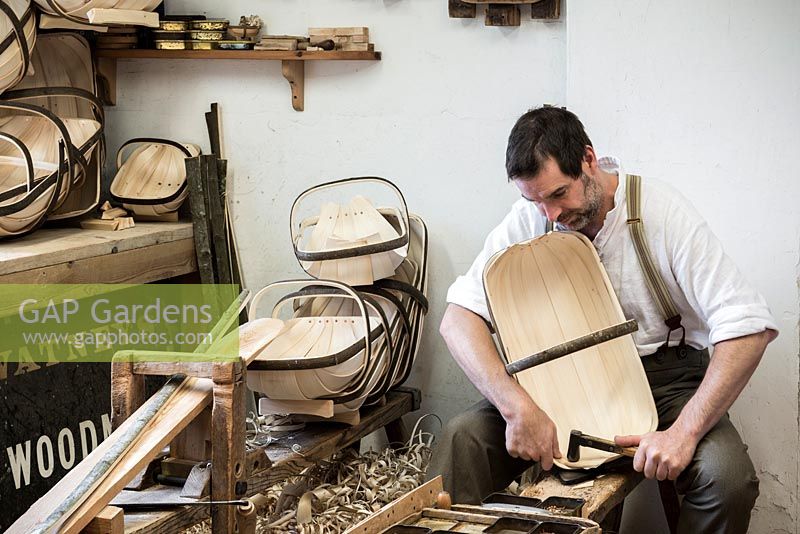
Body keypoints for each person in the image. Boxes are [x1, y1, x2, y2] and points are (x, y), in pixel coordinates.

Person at [427, 106, 778, 534]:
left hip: (664, 383)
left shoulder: (660, 212)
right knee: (464, 439)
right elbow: (458, 319)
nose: (549, 214)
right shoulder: (535, 217)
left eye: (558, 194)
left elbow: (747, 328)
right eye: (533, 199)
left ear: (589, 161)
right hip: (560, 382)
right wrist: (516, 406)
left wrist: (683, 434)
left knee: (728, 479)